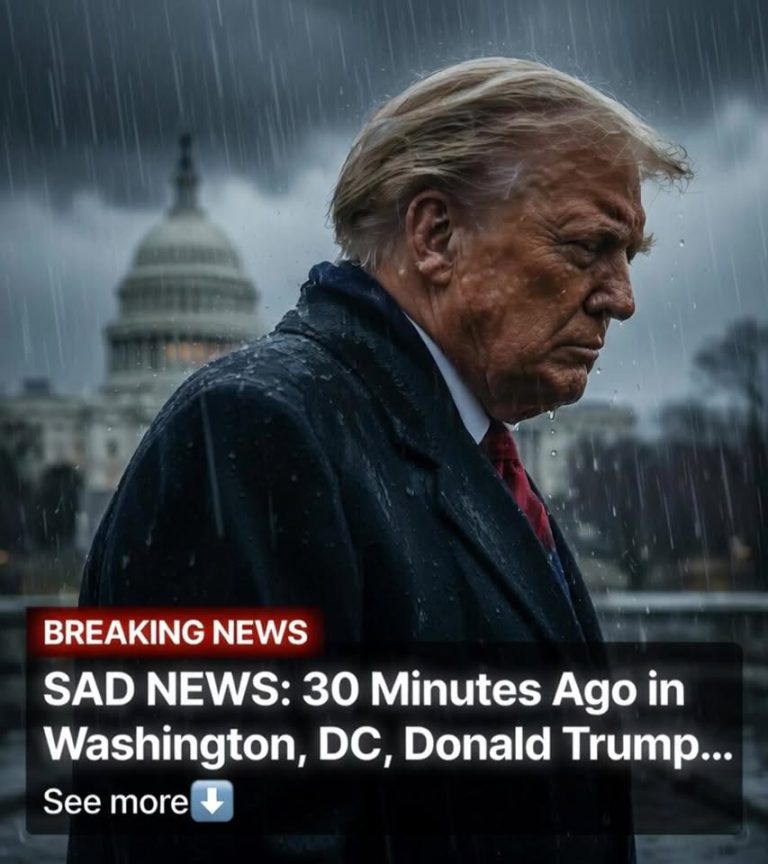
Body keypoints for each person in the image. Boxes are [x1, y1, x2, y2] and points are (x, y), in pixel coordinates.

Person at [69, 58, 690, 863]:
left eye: (630, 254)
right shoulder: (253, 435)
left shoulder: (447, 443)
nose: (622, 296)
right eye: (588, 248)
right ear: (435, 236)